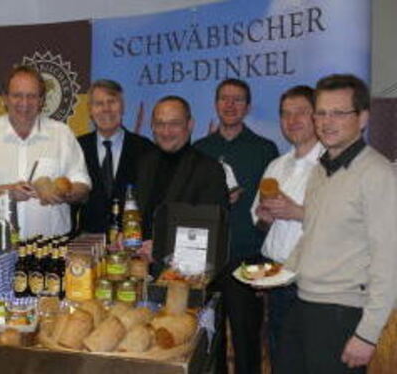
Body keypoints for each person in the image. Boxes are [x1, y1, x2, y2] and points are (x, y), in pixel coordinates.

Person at [275, 74, 397, 374]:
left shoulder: (377, 174)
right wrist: (279, 274)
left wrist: (367, 334)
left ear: (363, 117)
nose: (327, 122)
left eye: (339, 113)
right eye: (321, 112)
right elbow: (310, 235)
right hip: (302, 304)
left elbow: (389, 260)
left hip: (343, 314)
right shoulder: (320, 171)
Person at [195, 78, 279, 374]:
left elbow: (274, 211)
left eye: (238, 100)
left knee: (247, 344)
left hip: (249, 260)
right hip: (206, 263)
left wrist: (269, 269)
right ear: (216, 104)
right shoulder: (200, 149)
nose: (230, 105)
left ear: (248, 106)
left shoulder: (264, 149)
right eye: (224, 99)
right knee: (209, 342)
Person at [0, 65, 91, 237]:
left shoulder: (62, 134)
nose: (24, 103)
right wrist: (7, 192)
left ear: (42, 100)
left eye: (32, 96)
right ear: (5, 98)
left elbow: (83, 186)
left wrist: (63, 193)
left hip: (51, 250)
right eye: (17, 96)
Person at [250, 85, 324, 361]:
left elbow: (346, 226)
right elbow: (261, 226)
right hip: (278, 283)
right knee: (282, 360)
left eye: (300, 113)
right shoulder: (276, 166)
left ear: (317, 116)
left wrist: (298, 212)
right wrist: (265, 219)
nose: (292, 121)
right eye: (285, 114)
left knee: (316, 363)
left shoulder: (332, 165)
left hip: (315, 288)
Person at [135, 95, 228, 276]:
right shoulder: (143, 163)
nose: (166, 131)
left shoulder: (210, 170)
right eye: (159, 124)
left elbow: (210, 235)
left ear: (190, 124)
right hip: (140, 273)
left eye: (174, 124)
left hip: (185, 279)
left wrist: (161, 249)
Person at [75, 79, 155, 234]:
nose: (106, 109)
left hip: (132, 245)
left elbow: (151, 202)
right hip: (89, 245)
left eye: (112, 102)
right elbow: (70, 204)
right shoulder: (77, 148)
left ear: (123, 107)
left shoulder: (146, 149)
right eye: (99, 103)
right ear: (90, 110)